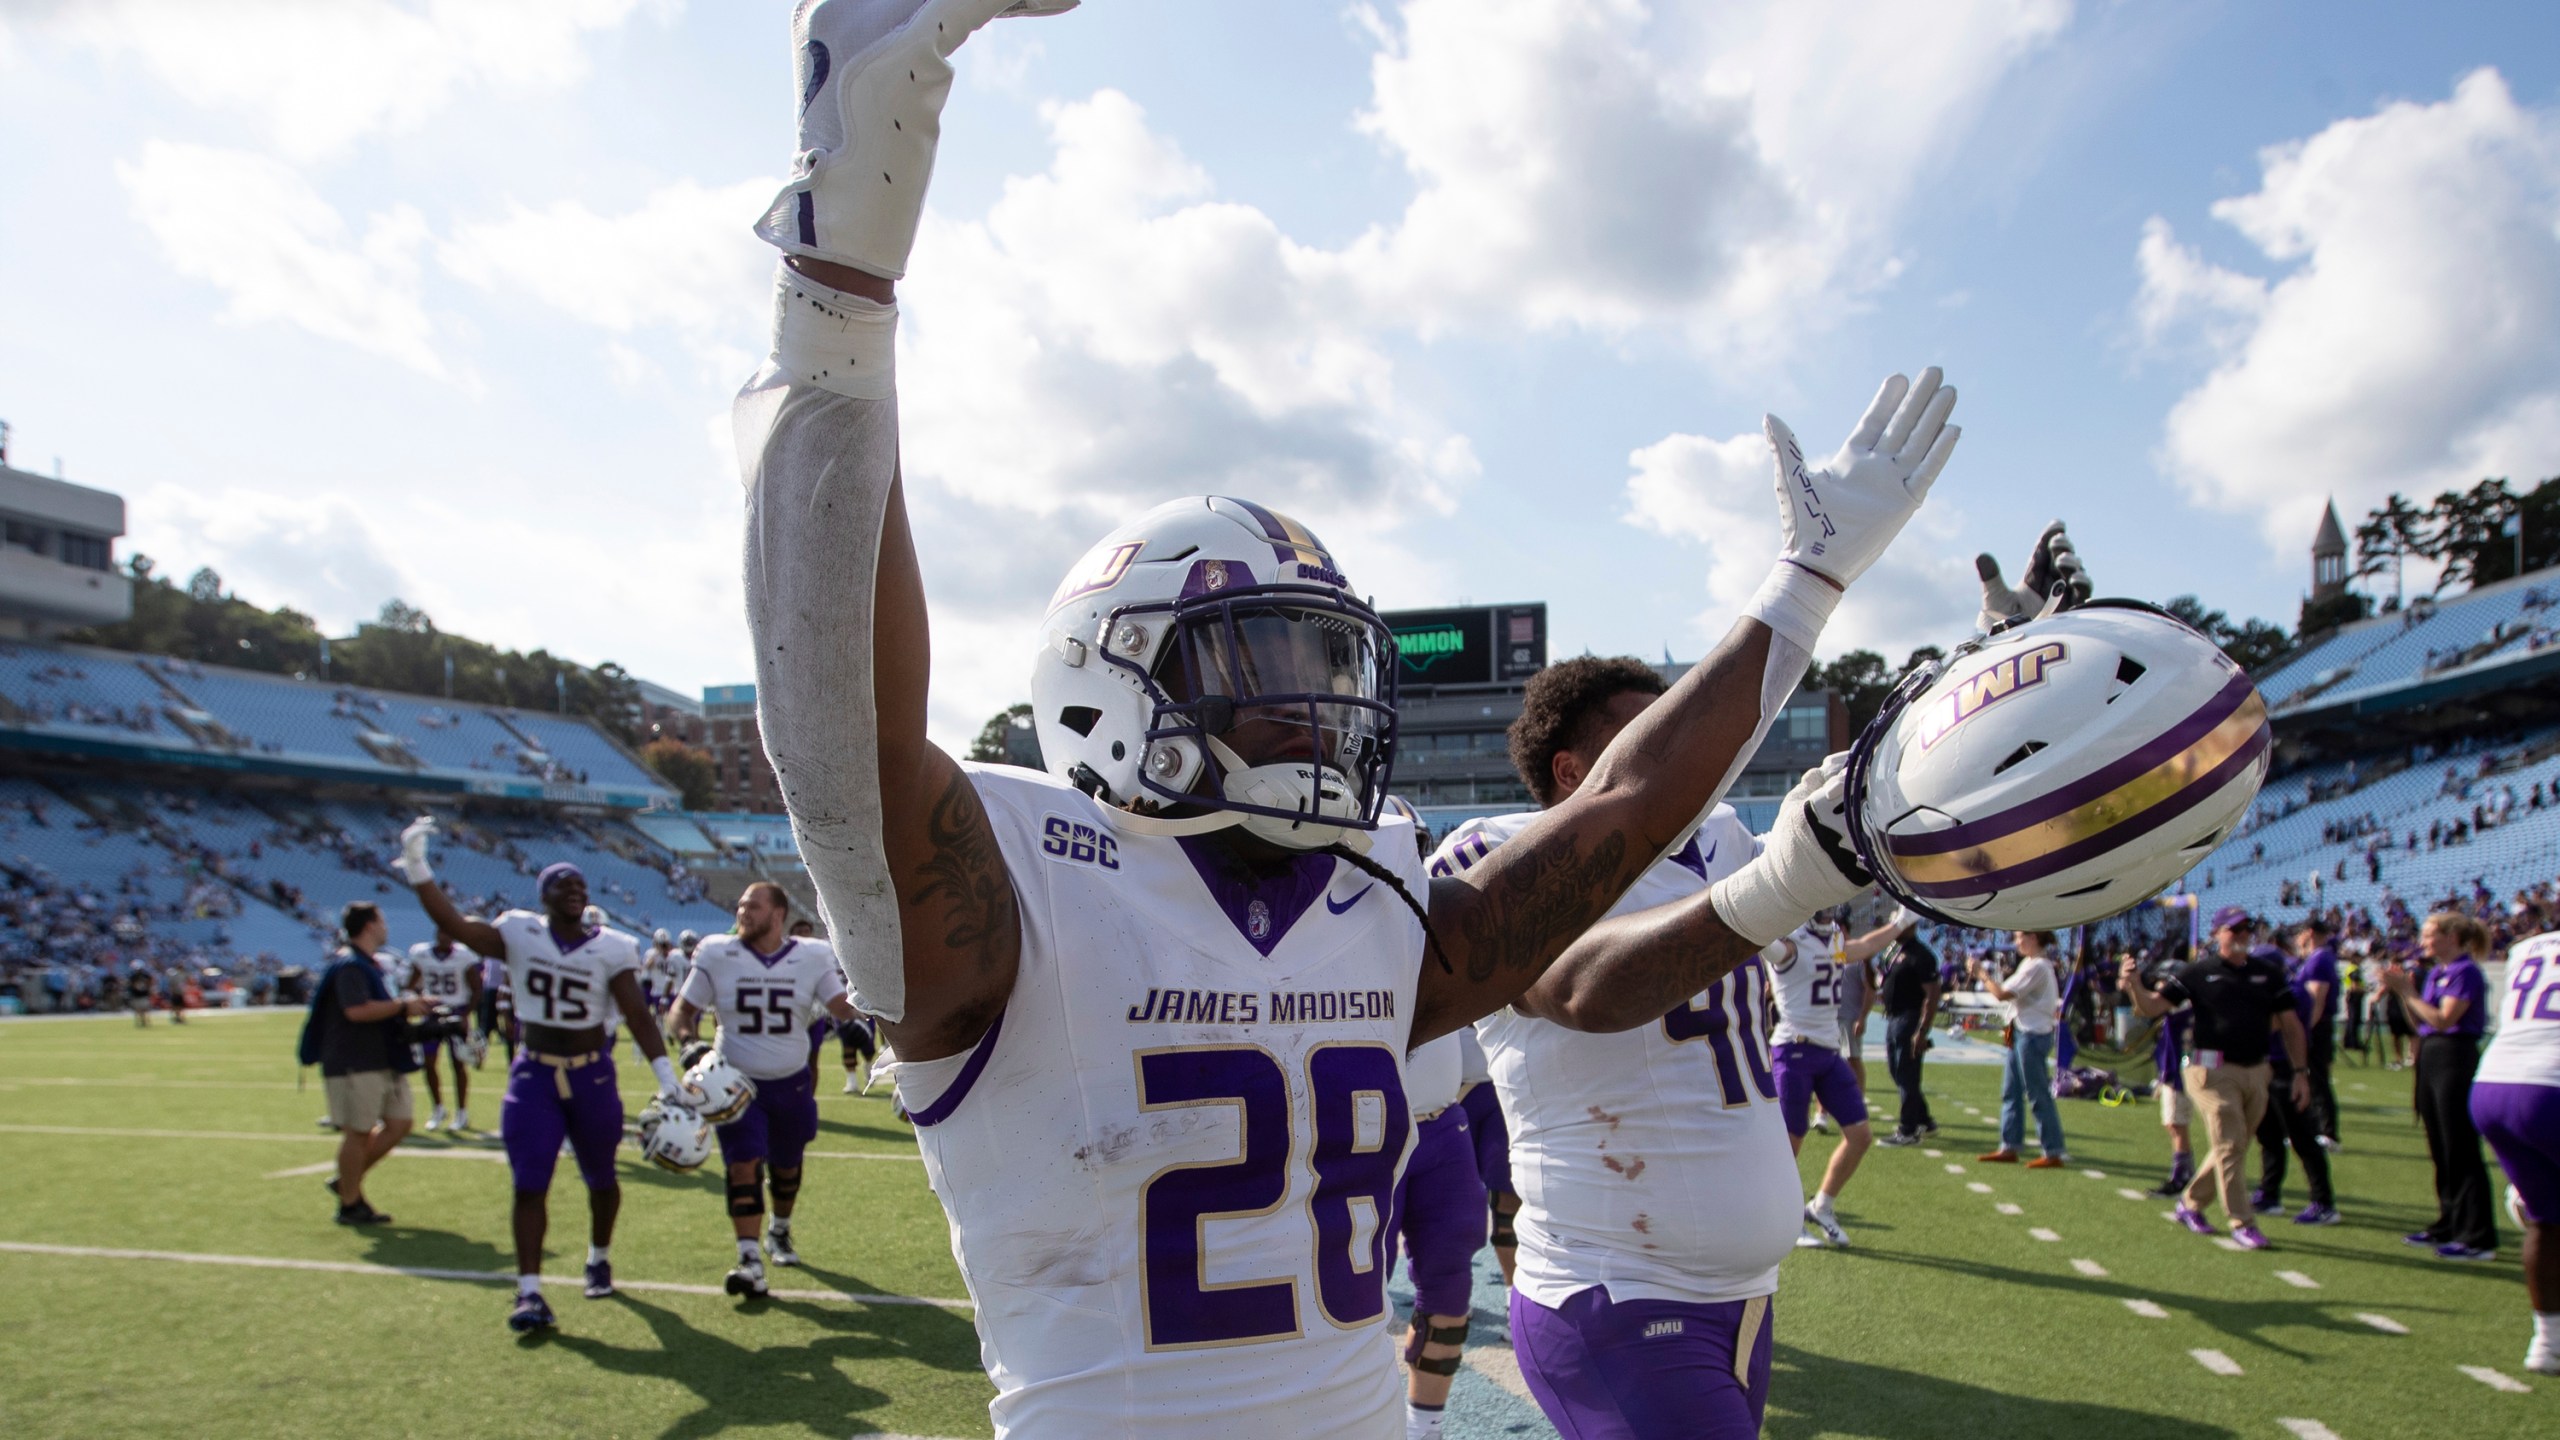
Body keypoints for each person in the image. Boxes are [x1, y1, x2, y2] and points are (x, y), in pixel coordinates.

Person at [735, 3, 1956, 1428]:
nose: (1318, 714)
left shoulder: (1373, 900)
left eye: (1332, 670)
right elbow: (836, 721)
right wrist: (843, 266)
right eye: (1262, 667)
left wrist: (1806, 582)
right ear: (1113, 680)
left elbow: (1624, 810)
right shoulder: (1023, 882)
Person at [1428, 654, 1799, 1440]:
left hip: (1744, 1294)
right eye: (1650, 737)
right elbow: (1578, 990)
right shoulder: (1488, 854)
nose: (1681, 754)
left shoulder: (1724, 835)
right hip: (1615, 1289)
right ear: (1573, 771)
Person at [393, 842, 699, 1332]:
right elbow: (455, 926)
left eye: (581, 884)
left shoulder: (613, 946)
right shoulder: (518, 932)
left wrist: (666, 1077)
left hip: (591, 1073)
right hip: (533, 1073)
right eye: (564, 884)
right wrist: (417, 867)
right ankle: (529, 1291)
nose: (576, 890)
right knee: (529, 1182)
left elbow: (638, 1015)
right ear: (544, 895)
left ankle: (599, 1256)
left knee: (602, 1178)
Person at [669, 882, 862, 1298]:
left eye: (752, 907)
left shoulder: (811, 955)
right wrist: (689, 1045)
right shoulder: (717, 953)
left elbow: (841, 1005)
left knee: (786, 1168)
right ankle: (748, 1259)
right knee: (743, 1166)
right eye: (740, 905)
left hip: (791, 1084)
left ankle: (780, 1229)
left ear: (777, 914)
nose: (742, 912)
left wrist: (875, 1009)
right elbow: (682, 1011)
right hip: (735, 1084)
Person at [2122, 908, 2311, 1251]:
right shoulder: (2198, 972)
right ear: (2217, 933)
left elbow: (2291, 1024)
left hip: (2256, 1068)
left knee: (2233, 1145)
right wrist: (2134, 985)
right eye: (2234, 928)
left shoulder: (2268, 973)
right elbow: (2152, 1007)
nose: (2242, 934)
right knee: (2230, 1140)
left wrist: (2301, 1072)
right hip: (2208, 1069)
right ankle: (2243, 1221)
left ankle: (2190, 1203)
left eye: (2247, 928)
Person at [1768, 907, 1911, 1241]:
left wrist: (1899, 924)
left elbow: (1861, 947)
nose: (1827, 912)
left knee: (1860, 1136)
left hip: (1828, 1050)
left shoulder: (1833, 939)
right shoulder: (1790, 942)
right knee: (1790, 1143)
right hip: (1794, 1049)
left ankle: (1822, 1205)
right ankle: (1787, 1218)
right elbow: (1770, 948)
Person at [2382, 911, 2500, 1260]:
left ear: (2452, 937)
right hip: (2433, 1055)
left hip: (2455, 1057)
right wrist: (2405, 995)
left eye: (2431, 934)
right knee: (2439, 1144)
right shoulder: (2439, 972)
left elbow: (2445, 1020)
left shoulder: (2466, 972)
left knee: (2459, 1145)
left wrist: (2408, 991)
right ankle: (2449, 1221)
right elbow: (2420, 1021)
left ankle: (2477, 1235)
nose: (2424, 940)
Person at [1385, 1031, 1486, 1440]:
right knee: (1349, 1296)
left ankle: (1425, 1428)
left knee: (1450, 1284)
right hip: (1364, 1128)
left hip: (1442, 1122)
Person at [2469, 924, 2560, 1373]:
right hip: (2550, 1088)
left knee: (2547, 1220)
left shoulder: (2530, 946)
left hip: (2493, 1084)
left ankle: (2547, 1343)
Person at [307, 902, 430, 1226]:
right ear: (369, 925)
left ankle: (346, 1180)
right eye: (382, 920)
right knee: (358, 1132)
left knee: (400, 1123)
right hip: (354, 1060)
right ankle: (350, 1203)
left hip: (381, 1058)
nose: (386, 926)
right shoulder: (350, 965)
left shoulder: (369, 964)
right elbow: (356, 1010)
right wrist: (403, 1006)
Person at [2254, 927, 2340, 1226]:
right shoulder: (2281, 989)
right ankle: (2269, 1191)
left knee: (2303, 1138)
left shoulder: (2290, 993)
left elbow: (2271, 1027)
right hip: (2269, 1067)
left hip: (2288, 1067)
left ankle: (2323, 1201)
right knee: (2269, 1136)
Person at [1973, 932, 2069, 1168]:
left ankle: (2052, 1149)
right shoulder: (2031, 964)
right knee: (2011, 1091)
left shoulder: (2037, 967)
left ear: (2033, 937)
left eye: (2019, 937)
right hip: (2019, 1031)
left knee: (2036, 1094)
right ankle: (2010, 1144)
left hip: (2031, 1034)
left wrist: (1982, 975)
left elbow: (2002, 994)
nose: (2016, 942)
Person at [406, 922, 484, 1132]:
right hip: (431, 1014)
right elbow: (409, 984)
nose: (445, 937)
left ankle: (461, 1112)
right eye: (443, 931)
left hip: (456, 1011)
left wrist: (466, 1014)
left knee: (458, 1063)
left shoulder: (464, 956)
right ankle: (438, 1108)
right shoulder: (421, 954)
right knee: (429, 1063)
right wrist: (417, 1001)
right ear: (436, 933)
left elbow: (477, 987)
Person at [1873, 910, 1940, 1146]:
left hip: (1908, 1019)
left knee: (1906, 1074)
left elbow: (1932, 996)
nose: (1893, 928)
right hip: (1894, 1018)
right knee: (1897, 1071)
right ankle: (1923, 1119)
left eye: (1897, 924)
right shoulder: (1897, 951)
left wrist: (1922, 1031)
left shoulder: (1921, 955)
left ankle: (1908, 1130)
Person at [2292, 918, 2343, 1147]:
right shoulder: (2318, 958)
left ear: (2309, 933)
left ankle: (2327, 1131)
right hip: (2318, 1025)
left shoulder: (2319, 959)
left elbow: (2316, 999)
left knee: (2317, 1077)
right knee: (2313, 1078)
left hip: (2317, 1026)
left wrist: (2304, 1030)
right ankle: (2313, 1128)